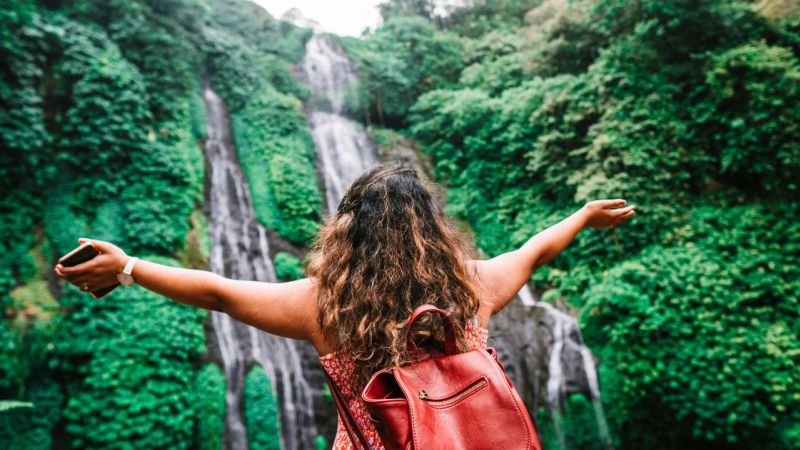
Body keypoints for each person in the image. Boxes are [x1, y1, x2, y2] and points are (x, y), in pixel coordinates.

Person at [54, 161, 635, 449]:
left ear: (348, 231)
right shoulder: (471, 287)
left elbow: (217, 291)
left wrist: (127, 267)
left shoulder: (325, 308)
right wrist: (583, 215)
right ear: (432, 229)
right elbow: (534, 250)